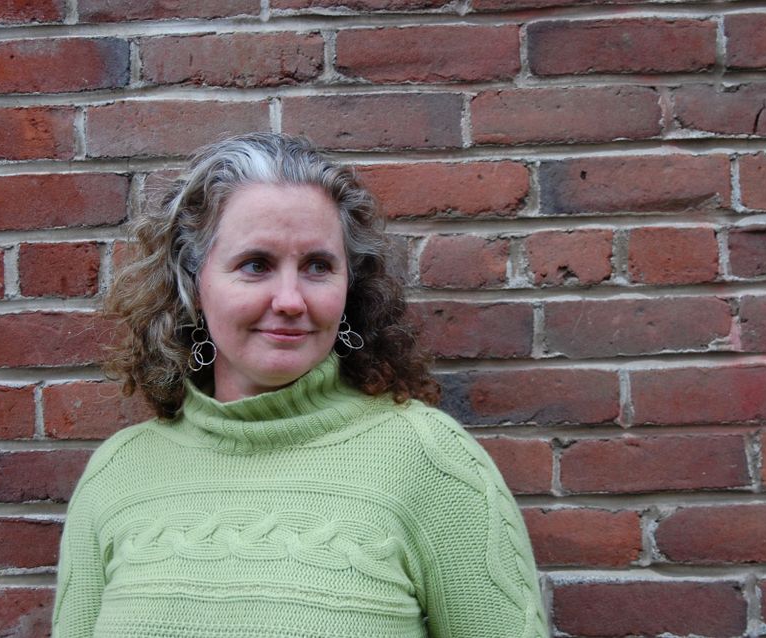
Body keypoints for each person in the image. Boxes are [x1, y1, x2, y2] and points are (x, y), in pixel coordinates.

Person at [52, 133, 549, 637]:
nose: (290, 299)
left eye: (317, 266)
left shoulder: (430, 460)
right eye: (256, 265)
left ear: (349, 286)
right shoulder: (117, 475)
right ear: (194, 284)